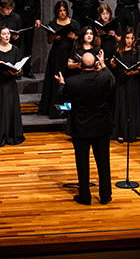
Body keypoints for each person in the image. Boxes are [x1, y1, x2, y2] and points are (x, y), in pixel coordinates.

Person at [55, 51, 115, 206]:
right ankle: (105, 195)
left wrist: (61, 83)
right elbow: (112, 80)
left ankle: (85, 196)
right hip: (101, 126)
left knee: (82, 162)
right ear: (95, 64)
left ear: (80, 65)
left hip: (81, 127)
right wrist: (103, 64)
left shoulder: (72, 82)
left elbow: (61, 97)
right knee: (103, 161)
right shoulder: (104, 77)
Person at [0, 26, 25, 148]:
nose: (7, 36)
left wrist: (16, 71)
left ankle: (11, 134)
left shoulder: (15, 49)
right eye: (4, 34)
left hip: (10, 83)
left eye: (8, 34)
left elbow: (19, 65)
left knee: (11, 109)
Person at [38, 1, 80, 119]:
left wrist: (74, 37)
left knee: (68, 82)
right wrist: (53, 37)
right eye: (60, 10)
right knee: (56, 82)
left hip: (70, 55)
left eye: (64, 10)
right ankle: (56, 109)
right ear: (56, 11)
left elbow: (80, 40)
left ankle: (68, 109)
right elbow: (49, 42)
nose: (62, 13)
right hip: (56, 56)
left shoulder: (74, 23)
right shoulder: (53, 23)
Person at [8, 0, 41, 79]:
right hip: (18, 15)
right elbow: (10, 2)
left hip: (30, 15)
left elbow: (37, 1)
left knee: (28, 45)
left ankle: (27, 70)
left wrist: (38, 17)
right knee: (15, 44)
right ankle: (15, 70)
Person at [110, 28, 140, 142]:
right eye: (127, 38)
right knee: (121, 106)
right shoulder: (118, 49)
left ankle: (131, 133)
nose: (129, 41)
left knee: (131, 106)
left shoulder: (138, 49)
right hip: (121, 81)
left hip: (133, 80)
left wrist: (132, 72)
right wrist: (112, 64)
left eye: (132, 38)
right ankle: (120, 132)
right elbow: (114, 65)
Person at [94, 4, 121, 69]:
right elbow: (97, 44)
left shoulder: (115, 22)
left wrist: (114, 35)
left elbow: (120, 40)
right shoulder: (98, 24)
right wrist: (98, 35)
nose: (105, 16)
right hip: (102, 48)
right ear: (100, 15)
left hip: (112, 47)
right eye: (103, 14)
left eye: (107, 13)